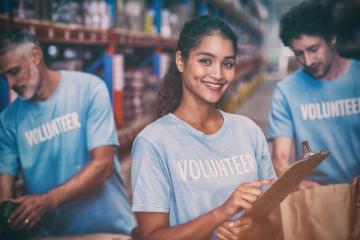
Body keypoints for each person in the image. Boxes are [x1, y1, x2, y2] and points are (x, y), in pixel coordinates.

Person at [131, 15, 280, 240]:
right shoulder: (153, 142)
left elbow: (276, 223)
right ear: (181, 61)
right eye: (206, 61)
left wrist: (254, 231)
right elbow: (152, 236)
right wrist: (221, 213)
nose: (218, 75)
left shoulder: (248, 132)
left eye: (227, 64)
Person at [0, 27, 137, 238]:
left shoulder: (89, 89)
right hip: (57, 235)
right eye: (4, 77)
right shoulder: (9, 120)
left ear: (35, 55)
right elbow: (5, 187)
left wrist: (46, 201)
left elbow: (103, 165)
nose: (10, 84)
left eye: (14, 71)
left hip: (109, 230)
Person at [268, 1, 360, 189]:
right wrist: (299, 184)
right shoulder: (286, 91)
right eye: (299, 53)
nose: (308, 61)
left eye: (313, 49)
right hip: (317, 196)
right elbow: (279, 160)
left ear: (332, 38)